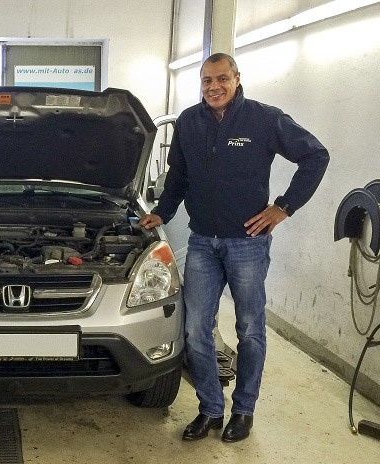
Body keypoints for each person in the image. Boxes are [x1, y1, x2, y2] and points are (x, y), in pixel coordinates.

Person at [140, 53, 329, 443]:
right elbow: (178, 175)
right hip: (202, 242)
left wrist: (284, 207)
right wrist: (161, 212)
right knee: (194, 329)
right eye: (207, 80)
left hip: (247, 244)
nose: (214, 86)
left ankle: (244, 410)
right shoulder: (189, 121)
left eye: (222, 79)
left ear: (237, 79)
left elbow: (315, 155)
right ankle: (210, 408)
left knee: (250, 330)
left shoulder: (264, 118)